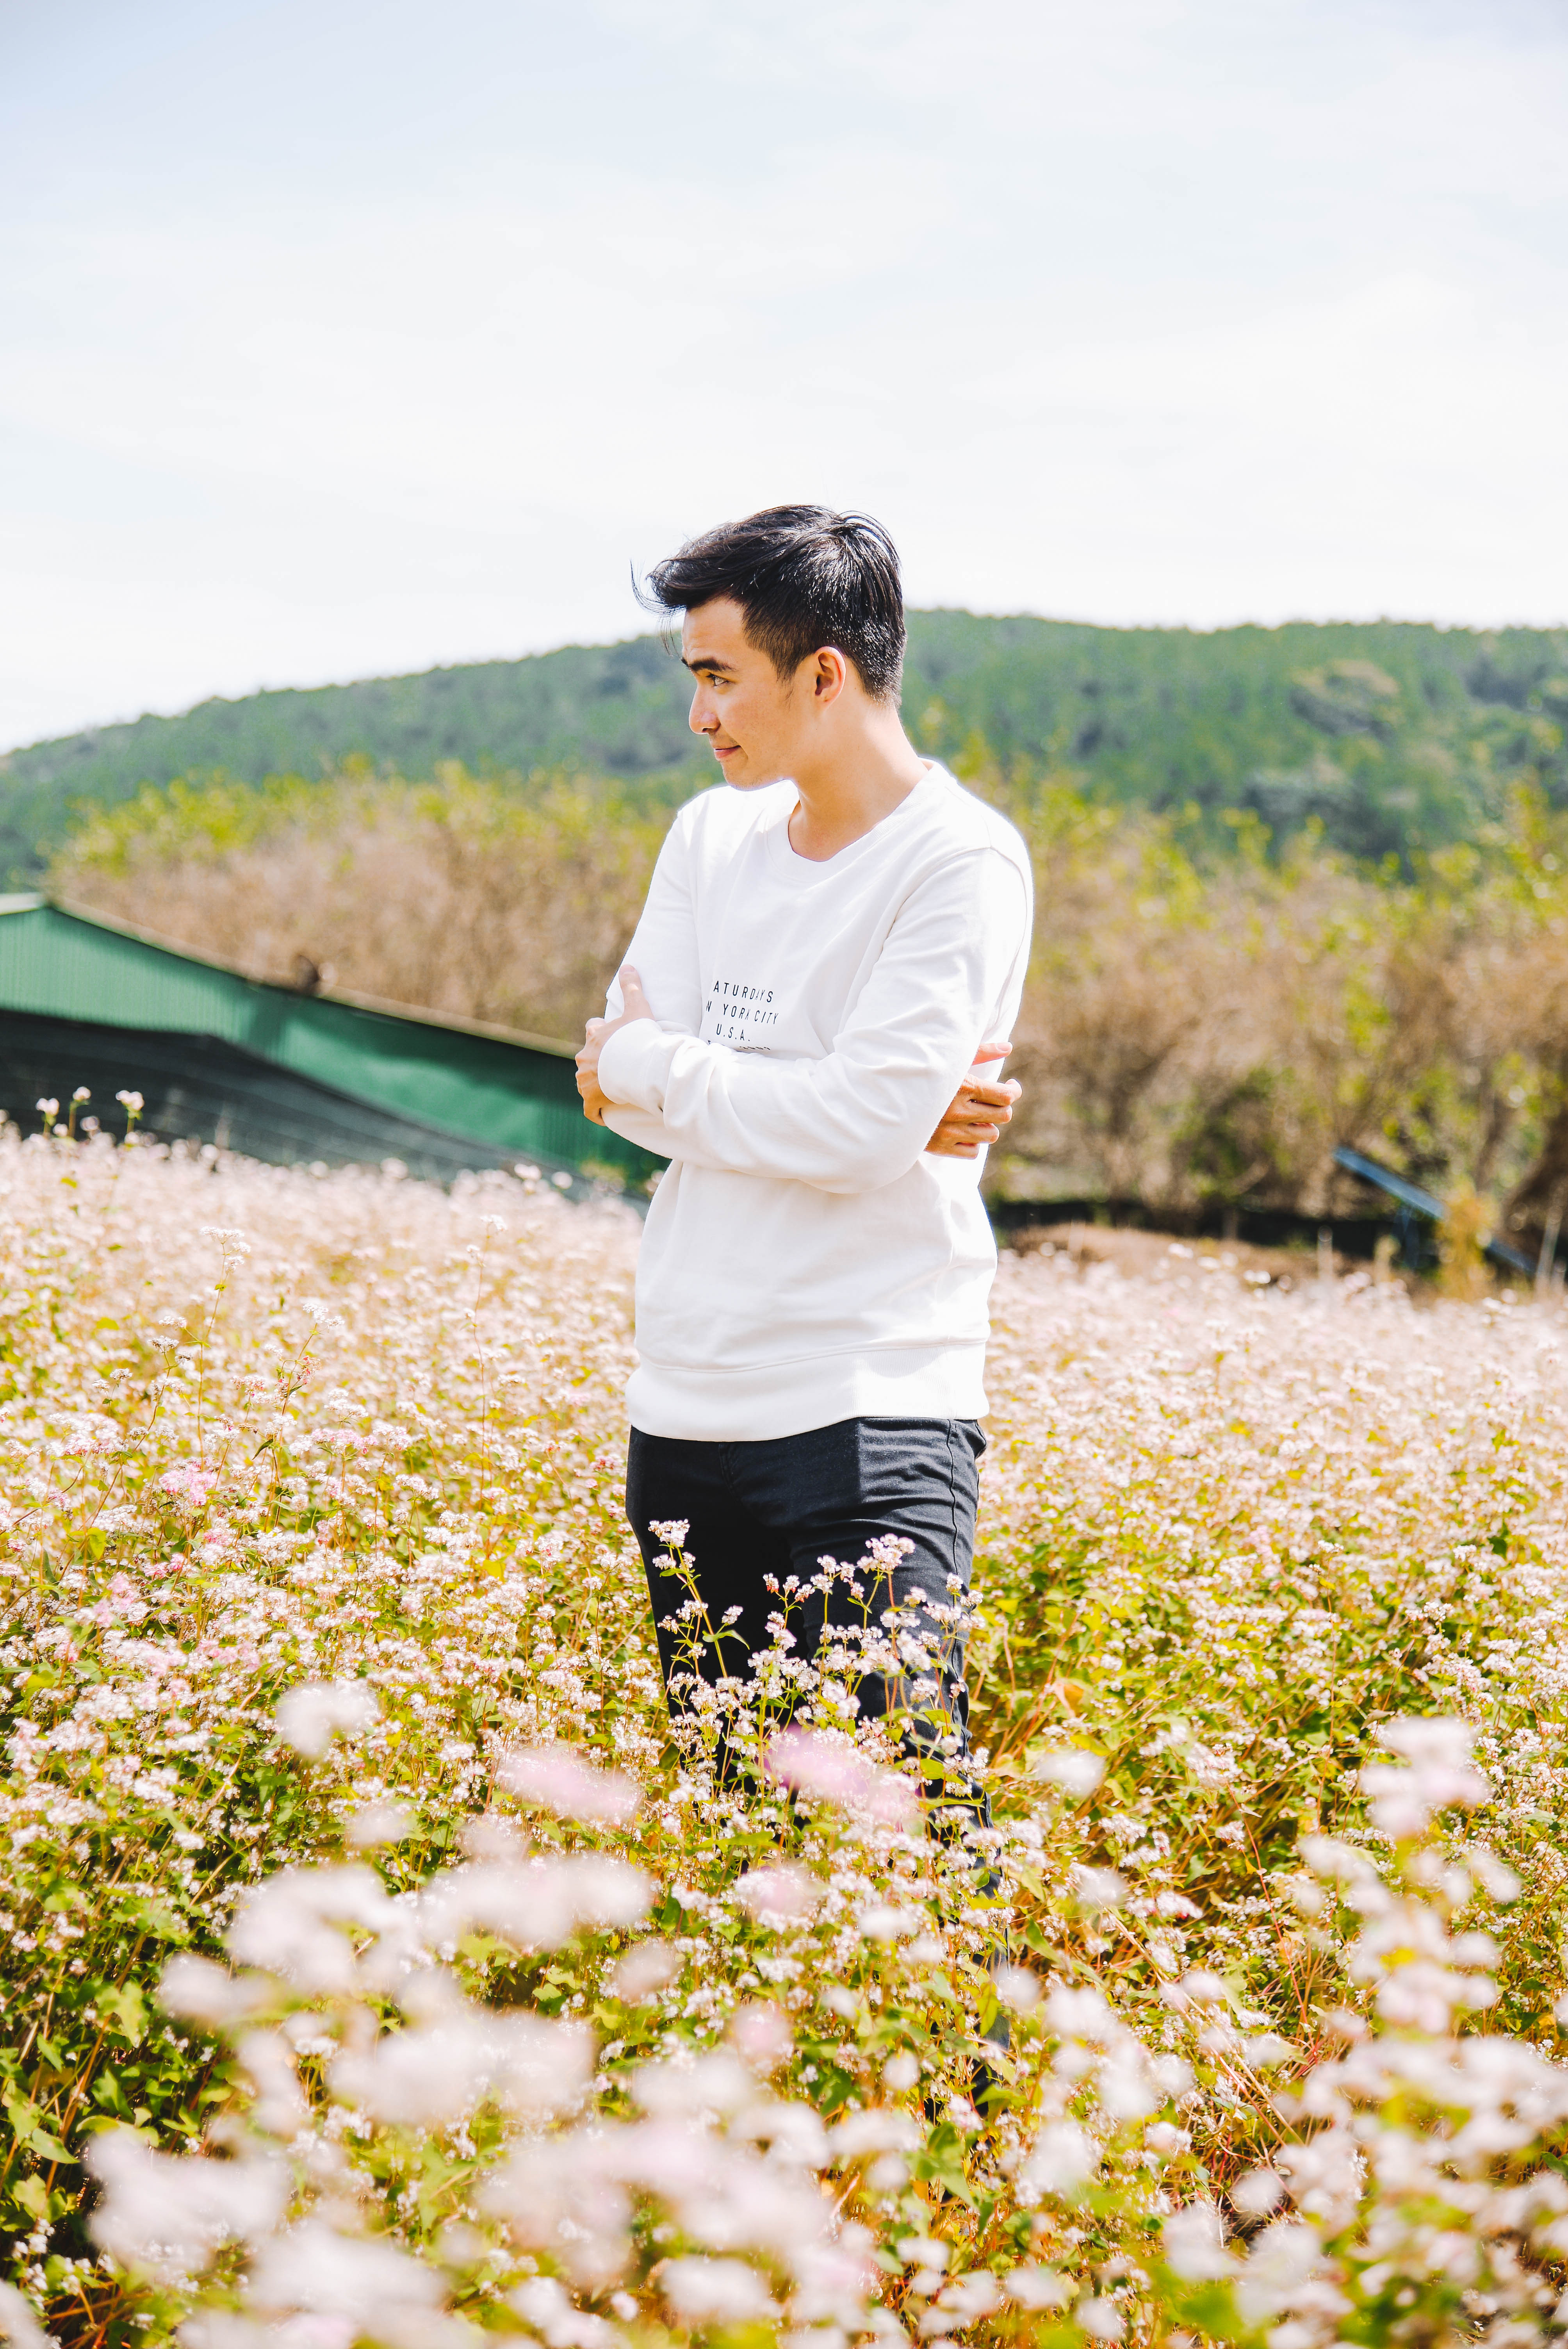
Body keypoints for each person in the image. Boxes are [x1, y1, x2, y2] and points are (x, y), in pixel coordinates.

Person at [576, 505, 1033, 1806]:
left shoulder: (959, 861)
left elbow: (836, 1130)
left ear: (821, 673)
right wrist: (820, 1098)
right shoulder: (706, 838)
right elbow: (605, 1083)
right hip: (682, 1407)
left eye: (719, 677)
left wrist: (668, 1070)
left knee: (896, 1842)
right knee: (742, 1849)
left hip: (868, 1416)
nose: (698, 714)